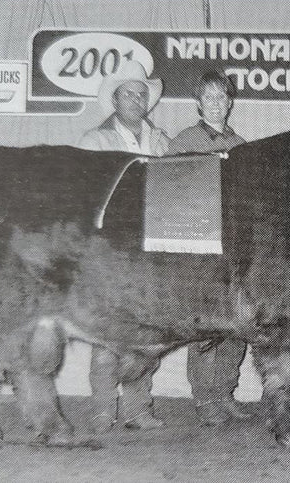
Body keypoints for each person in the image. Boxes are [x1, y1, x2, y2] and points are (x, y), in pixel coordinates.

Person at [78, 60, 170, 432]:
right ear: (114, 99)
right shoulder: (93, 141)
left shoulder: (163, 142)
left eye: (141, 94)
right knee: (107, 332)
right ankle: (102, 408)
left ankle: (137, 408)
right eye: (128, 93)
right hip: (110, 251)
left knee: (147, 333)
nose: (135, 99)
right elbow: (82, 199)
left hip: (152, 252)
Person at [166, 71, 251, 425]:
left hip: (235, 247)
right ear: (198, 103)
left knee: (239, 321)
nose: (218, 103)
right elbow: (169, 196)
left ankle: (224, 392)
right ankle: (203, 398)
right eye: (210, 97)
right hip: (199, 246)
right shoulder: (183, 142)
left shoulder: (243, 144)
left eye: (223, 97)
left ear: (230, 102)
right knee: (205, 325)